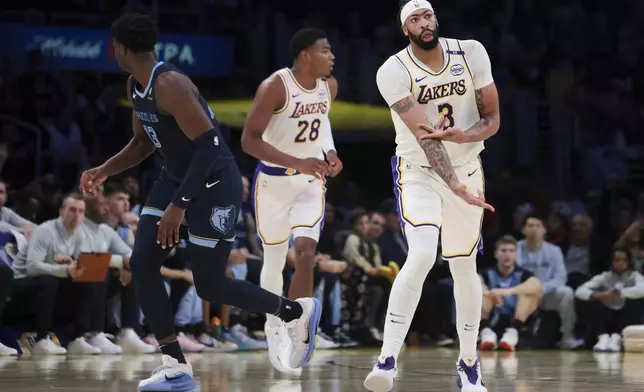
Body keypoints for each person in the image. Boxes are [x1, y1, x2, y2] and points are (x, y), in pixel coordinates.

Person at [79, 13, 321, 392]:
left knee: (210, 286)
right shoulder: (135, 85)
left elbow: (209, 146)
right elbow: (143, 143)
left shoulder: (169, 84)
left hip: (213, 184)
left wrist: (179, 205)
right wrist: (105, 169)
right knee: (142, 261)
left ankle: (295, 311)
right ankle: (174, 364)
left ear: (121, 49)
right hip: (175, 178)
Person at [364, 1, 500, 391]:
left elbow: (492, 118)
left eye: (427, 15)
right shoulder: (393, 71)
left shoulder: (471, 52)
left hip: (469, 168)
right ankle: (388, 358)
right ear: (404, 29)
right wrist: (453, 183)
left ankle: (469, 365)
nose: (424, 23)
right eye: (414, 20)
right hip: (419, 172)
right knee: (422, 253)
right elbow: (425, 137)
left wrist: (464, 135)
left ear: (435, 19)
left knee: (463, 266)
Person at [241, 28, 341, 374]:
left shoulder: (330, 87)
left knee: (306, 253)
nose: (332, 56)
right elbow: (249, 141)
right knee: (273, 260)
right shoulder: (275, 87)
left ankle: (299, 327)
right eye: (325, 50)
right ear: (304, 55)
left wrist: (330, 152)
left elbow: (322, 122)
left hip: (310, 184)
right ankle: (274, 327)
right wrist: (297, 161)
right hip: (272, 184)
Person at [479, 235, 543, 351]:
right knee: (480, 292)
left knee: (530, 293)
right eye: (503, 251)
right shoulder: (487, 272)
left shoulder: (524, 274)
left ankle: (513, 332)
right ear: (496, 254)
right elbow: (475, 282)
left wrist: (506, 292)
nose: (507, 255)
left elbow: (536, 284)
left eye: (511, 251)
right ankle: (485, 332)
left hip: (516, 319)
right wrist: (489, 293)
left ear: (516, 254)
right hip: (494, 315)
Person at [575, 248, 644, 352]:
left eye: (624, 260)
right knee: (593, 299)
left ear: (629, 262)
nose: (620, 263)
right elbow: (579, 291)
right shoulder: (604, 277)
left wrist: (620, 293)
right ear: (611, 262)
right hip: (606, 317)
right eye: (617, 260)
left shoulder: (634, 276)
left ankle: (617, 338)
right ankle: (603, 338)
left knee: (636, 301)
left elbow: (642, 289)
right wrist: (599, 295)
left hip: (626, 318)